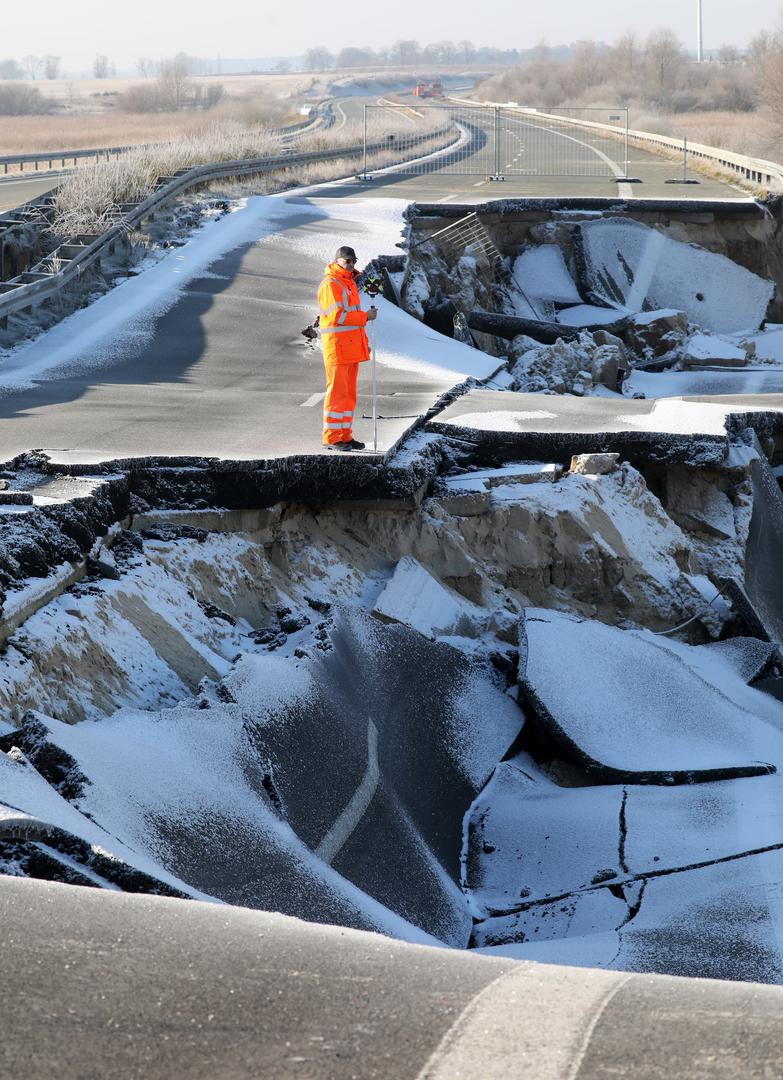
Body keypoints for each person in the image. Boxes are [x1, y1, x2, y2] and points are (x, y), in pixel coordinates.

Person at [317, 246, 377, 451]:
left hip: (349, 347)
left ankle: (345, 435)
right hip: (337, 347)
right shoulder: (331, 284)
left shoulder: (347, 282)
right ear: (337, 261)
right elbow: (339, 317)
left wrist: (363, 342)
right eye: (347, 261)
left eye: (353, 261)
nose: (351, 264)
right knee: (336, 393)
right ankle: (332, 438)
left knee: (348, 394)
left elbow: (350, 320)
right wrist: (365, 317)